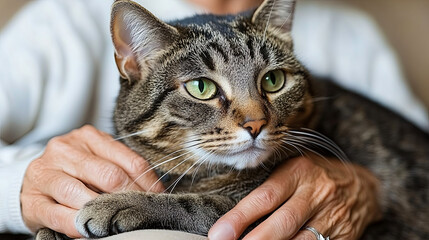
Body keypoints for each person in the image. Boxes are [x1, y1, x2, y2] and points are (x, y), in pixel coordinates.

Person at [0, 0, 428, 239]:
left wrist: (366, 186)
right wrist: (22, 183)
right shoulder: (57, 21)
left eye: (272, 80)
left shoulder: (351, 32)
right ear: (134, 63)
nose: (254, 119)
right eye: (203, 88)